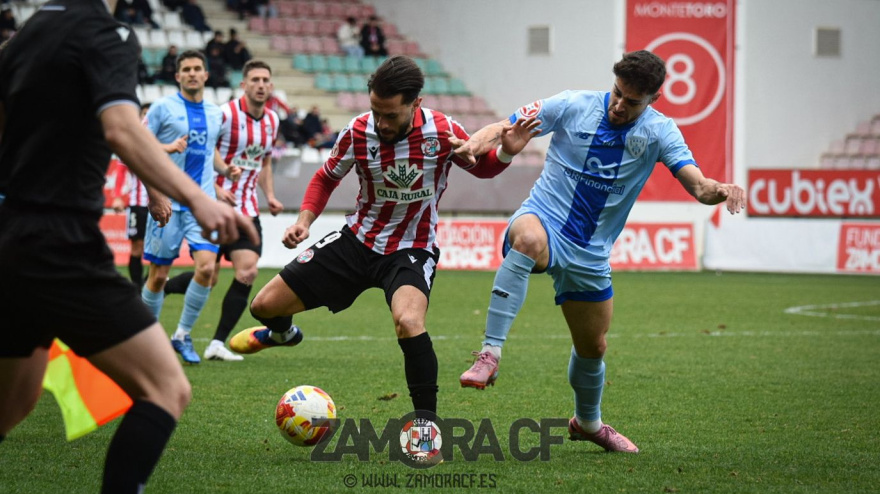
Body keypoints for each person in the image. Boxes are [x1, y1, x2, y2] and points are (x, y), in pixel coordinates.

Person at [0, 1, 256, 492]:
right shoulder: (106, 34)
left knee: (12, 404)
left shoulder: (27, 36)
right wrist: (197, 200)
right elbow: (120, 127)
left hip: (11, 238)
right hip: (59, 243)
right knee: (166, 387)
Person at [453, 50, 747, 453]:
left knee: (593, 347)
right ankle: (489, 353)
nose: (619, 105)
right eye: (617, 93)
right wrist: (473, 145)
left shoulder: (661, 132)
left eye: (632, 101)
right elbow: (504, 126)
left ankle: (588, 423)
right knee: (528, 241)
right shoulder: (573, 104)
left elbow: (698, 186)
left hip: (590, 252)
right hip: (543, 219)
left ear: (653, 100)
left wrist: (721, 190)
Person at [227, 55, 539, 419]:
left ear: (415, 104)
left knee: (409, 322)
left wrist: (504, 152)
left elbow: (480, 168)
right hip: (357, 241)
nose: (381, 122)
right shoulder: (358, 132)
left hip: (412, 248)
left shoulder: (439, 131)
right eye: (376, 111)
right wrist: (304, 221)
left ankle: (426, 427)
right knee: (263, 306)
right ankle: (281, 334)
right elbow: (327, 177)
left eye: (390, 114)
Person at [164, 60, 283, 362]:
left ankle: (216, 343)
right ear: (243, 84)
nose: (260, 84)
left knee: (248, 271)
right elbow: (202, 148)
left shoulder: (272, 120)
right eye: (254, 79)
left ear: (270, 86)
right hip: (214, 206)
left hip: (248, 210)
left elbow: (265, 161)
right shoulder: (225, 114)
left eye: (265, 79)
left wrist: (269, 195)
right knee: (209, 275)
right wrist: (216, 188)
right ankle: (162, 287)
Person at [140, 49, 242, 365]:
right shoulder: (161, 108)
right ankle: (147, 340)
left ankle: (182, 334)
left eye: (198, 68)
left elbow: (207, 149)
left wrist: (224, 171)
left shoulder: (215, 113)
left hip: (202, 205)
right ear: (178, 75)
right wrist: (166, 149)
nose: (193, 73)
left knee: (208, 268)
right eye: (187, 69)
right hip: (168, 202)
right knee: (158, 276)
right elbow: (137, 144)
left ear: (206, 75)